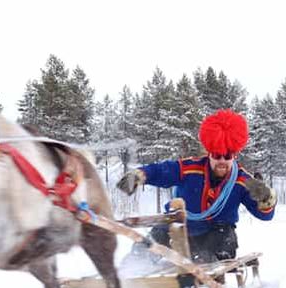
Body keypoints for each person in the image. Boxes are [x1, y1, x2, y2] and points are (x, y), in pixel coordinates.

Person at [116, 109, 276, 263]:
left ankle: (202, 275)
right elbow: (163, 171)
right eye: (216, 155)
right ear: (209, 153)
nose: (222, 160)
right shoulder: (190, 168)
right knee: (151, 242)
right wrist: (140, 175)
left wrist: (266, 200)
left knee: (221, 244)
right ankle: (129, 274)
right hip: (180, 227)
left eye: (227, 156)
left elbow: (265, 216)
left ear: (234, 155)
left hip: (216, 234)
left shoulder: (243, 180)